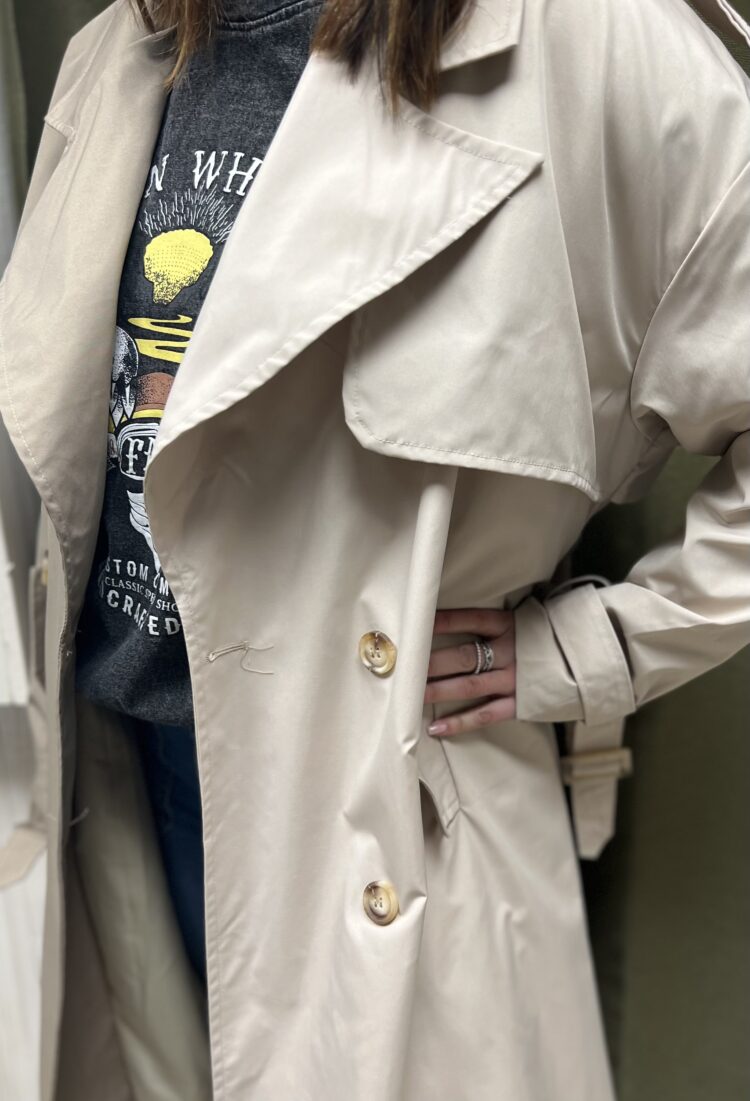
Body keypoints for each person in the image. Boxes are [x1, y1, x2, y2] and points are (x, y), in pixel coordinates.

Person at [0, 0, 748, 1098]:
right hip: (130, 788)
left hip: (388, 819)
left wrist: (590, 650)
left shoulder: (593, 41)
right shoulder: (124, 41)